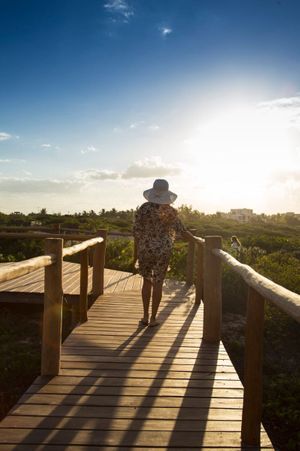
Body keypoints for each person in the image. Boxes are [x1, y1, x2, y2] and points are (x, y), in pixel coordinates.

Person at [133, 179, 193, 327]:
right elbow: (182, 231)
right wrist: (195, 240)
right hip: (163, 250)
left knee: (147, 281)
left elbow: (136, 231)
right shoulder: (170, 211)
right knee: (158, 282)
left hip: (145, 248)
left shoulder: (144, 208)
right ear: (167, 193)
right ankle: (154, 318)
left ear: (152, 192)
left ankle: (145, 316)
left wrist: (136, 252)